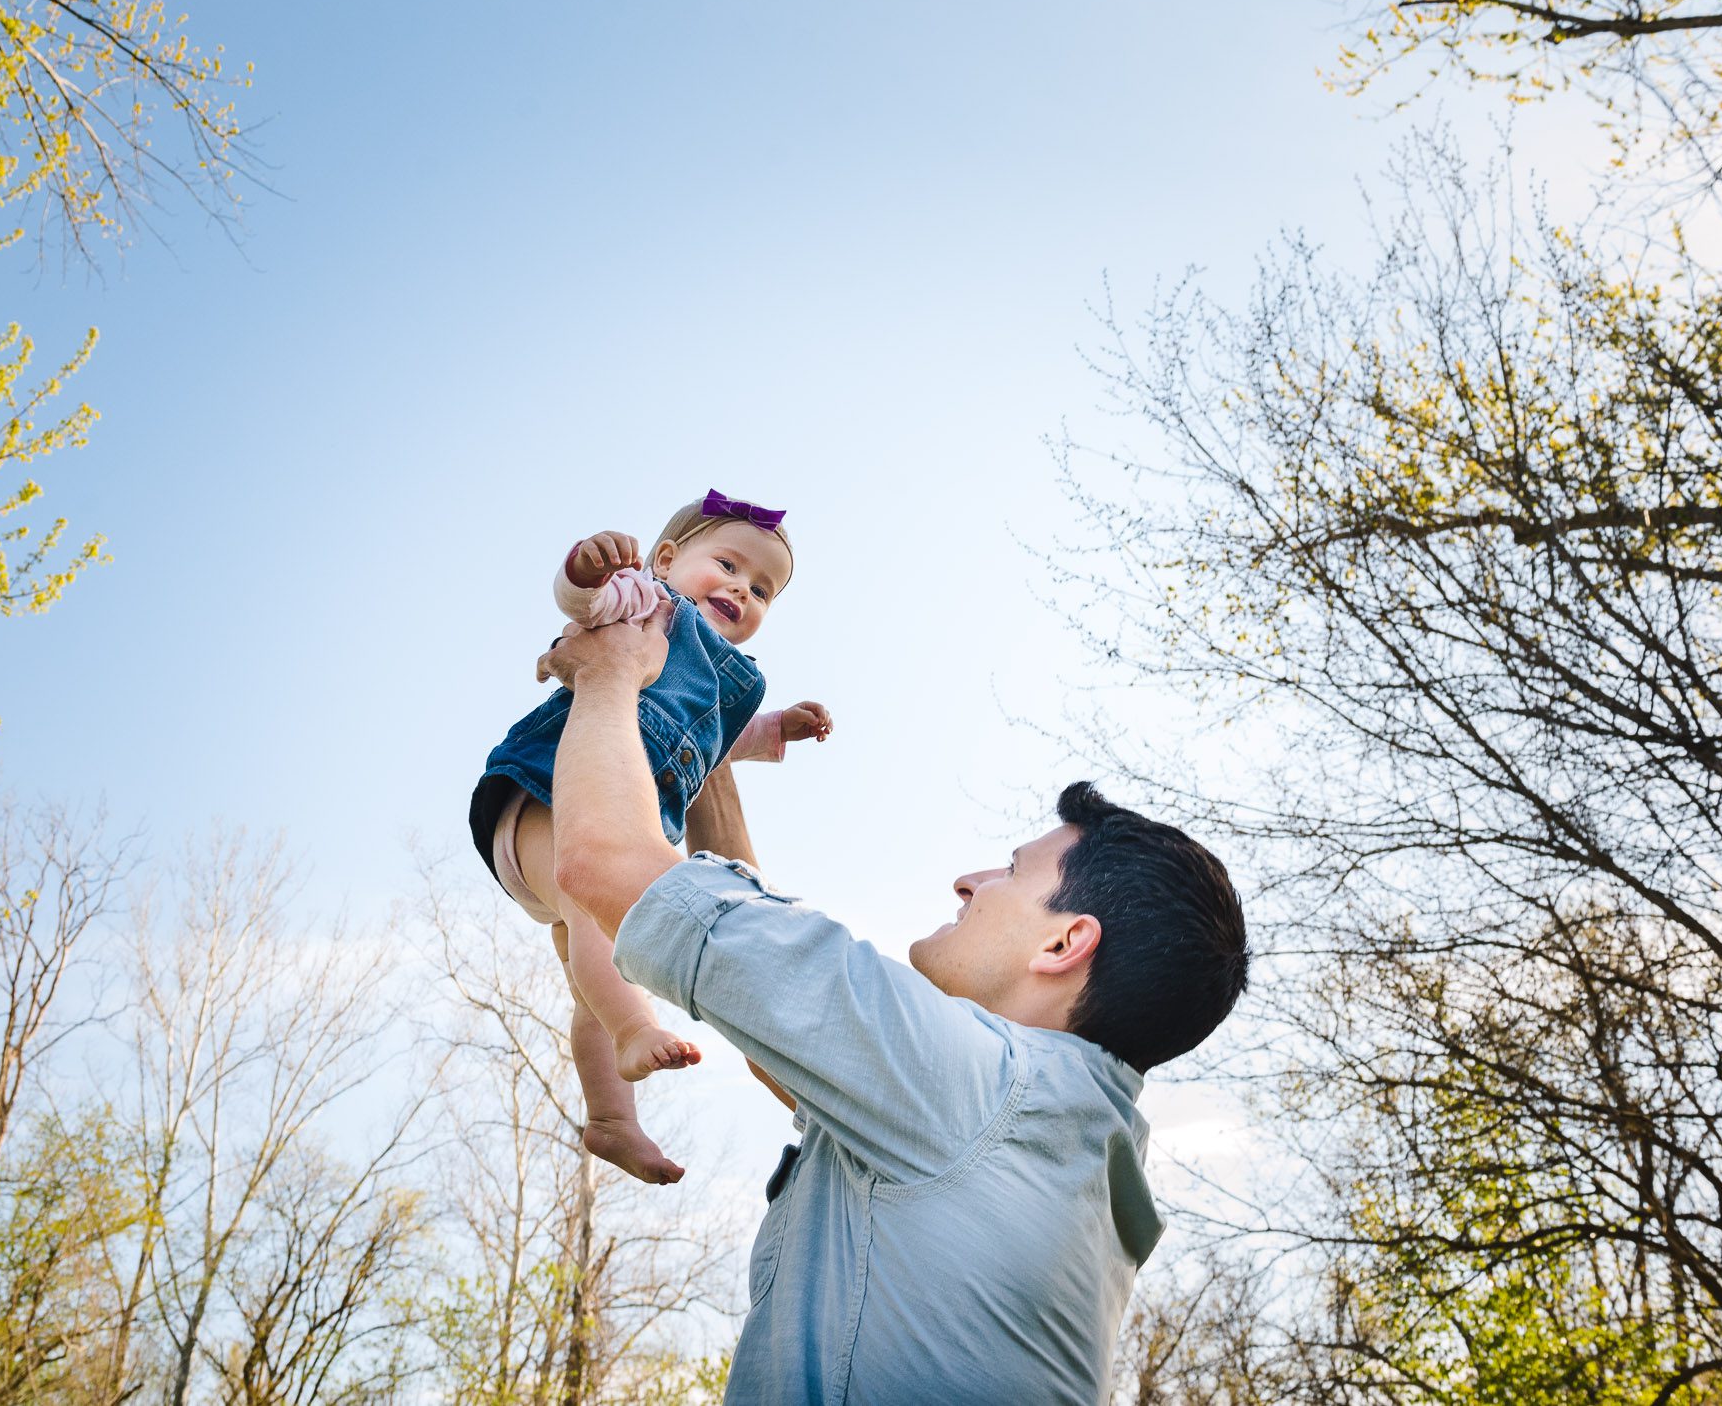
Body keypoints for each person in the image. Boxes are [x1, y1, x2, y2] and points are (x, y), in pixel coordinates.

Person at [537, 601, 1249, 1405]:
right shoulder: (1063, 1133)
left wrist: (607, 674)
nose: (969, 881)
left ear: (1062, 945)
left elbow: (601, 860)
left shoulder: (978, 1085)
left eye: (1010, 873)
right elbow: (774, 1014)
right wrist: (709, 749)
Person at [467, 491, 832, 1184]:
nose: (740, 589)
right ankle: (634, 1027)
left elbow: (717, 741)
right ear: (666, 560)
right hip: (546, 792)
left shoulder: (736, 682)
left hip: (607, 826)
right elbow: (582, 609)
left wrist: (777, 728)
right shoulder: (648, 604)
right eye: (726, 564)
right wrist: (586, 568)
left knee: (587, 964)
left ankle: (611, 1119)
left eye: (761, 590)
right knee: (598, 916)